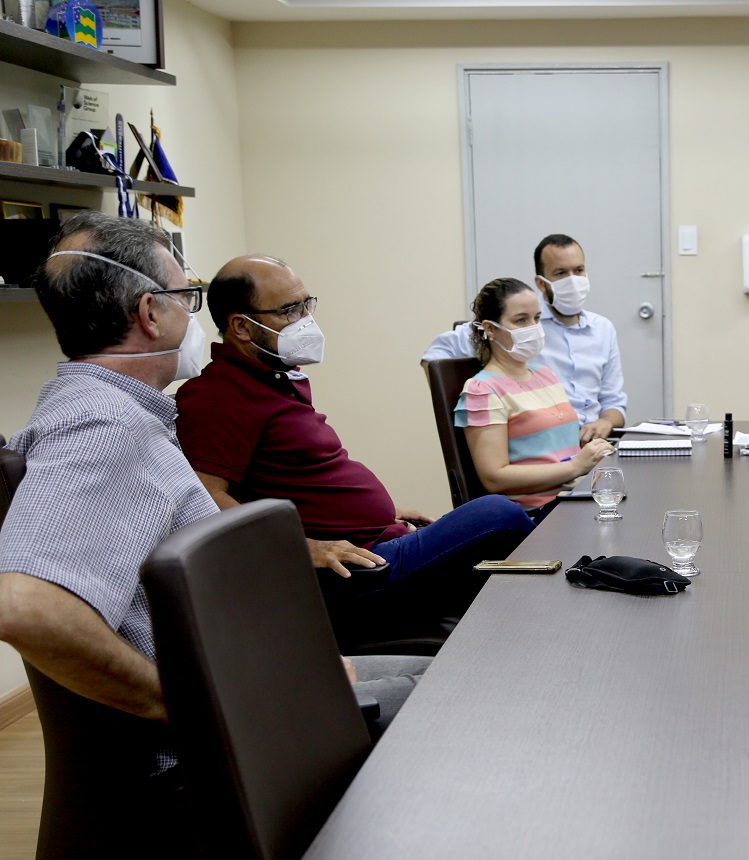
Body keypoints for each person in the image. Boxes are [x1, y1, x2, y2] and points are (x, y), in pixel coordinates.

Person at [0, 213, 426, 738]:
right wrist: (189, 702)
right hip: (243, 725)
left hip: (266, 675)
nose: (194, 316)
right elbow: (25, 607)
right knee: (475, 694)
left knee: (453, 675)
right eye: (185, 297)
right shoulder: (105, 426)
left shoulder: (116, 413)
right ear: (150, 313)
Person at [175, 255, 533, 640]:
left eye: (306, 304)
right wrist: (303, 547)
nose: (305, 319)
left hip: (378, 540)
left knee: (536, 526)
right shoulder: (216, 396)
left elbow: (295, 479)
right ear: (242, 327)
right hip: (355, 575)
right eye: (289, 310)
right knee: (498, 514)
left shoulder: (273, 379)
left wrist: (380, 512)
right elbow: (206, 500)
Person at [423, 234, 627, 444]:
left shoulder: (603, 329)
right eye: (560, 273)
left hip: (594, 444)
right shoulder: (520, 325)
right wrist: (461, 426)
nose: (573, 280)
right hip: (541, 446)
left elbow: (614, 402)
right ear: (541, 282)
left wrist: (606, 422)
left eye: (578, 270)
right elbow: (436, 354)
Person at [455, 277, 614, 511]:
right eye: (521, 320)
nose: (533, 327)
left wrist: (594, 453)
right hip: (538, 512)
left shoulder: (545, 374)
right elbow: (494, 478)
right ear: (490, 329)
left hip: (577, 496)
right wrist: (576, 466)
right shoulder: (482, 390)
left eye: (537, 318)